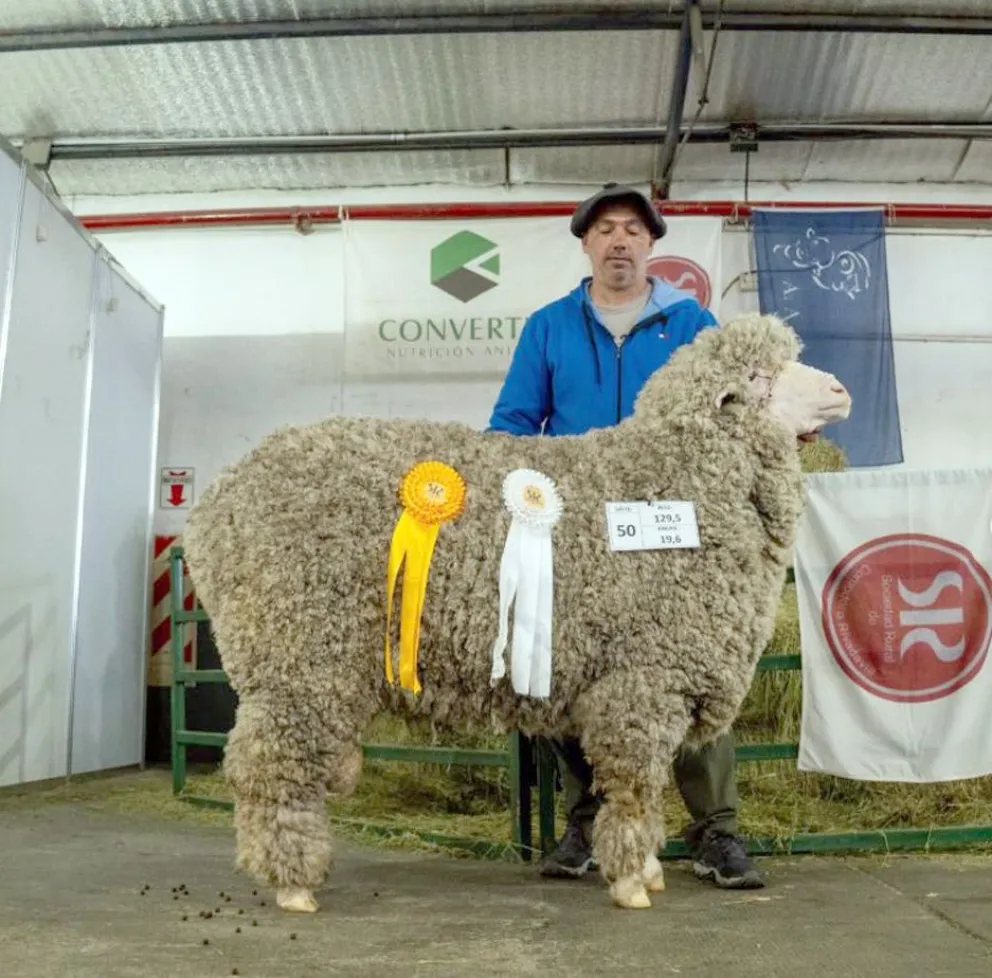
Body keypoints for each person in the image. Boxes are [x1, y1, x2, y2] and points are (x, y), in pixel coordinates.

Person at [486, 182, 765, 890]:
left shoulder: (692, 323)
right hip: (577, 529)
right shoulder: (549, 326)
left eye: (633, 230)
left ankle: (715, 831)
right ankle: (590, 822)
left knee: (684, 671)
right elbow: (513, 422)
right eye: (606, 228)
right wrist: (504, 485)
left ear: (651, 245)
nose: (619, 240)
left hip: (673, 526)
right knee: (567, 672)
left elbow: (736, 412)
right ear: (586, 243)